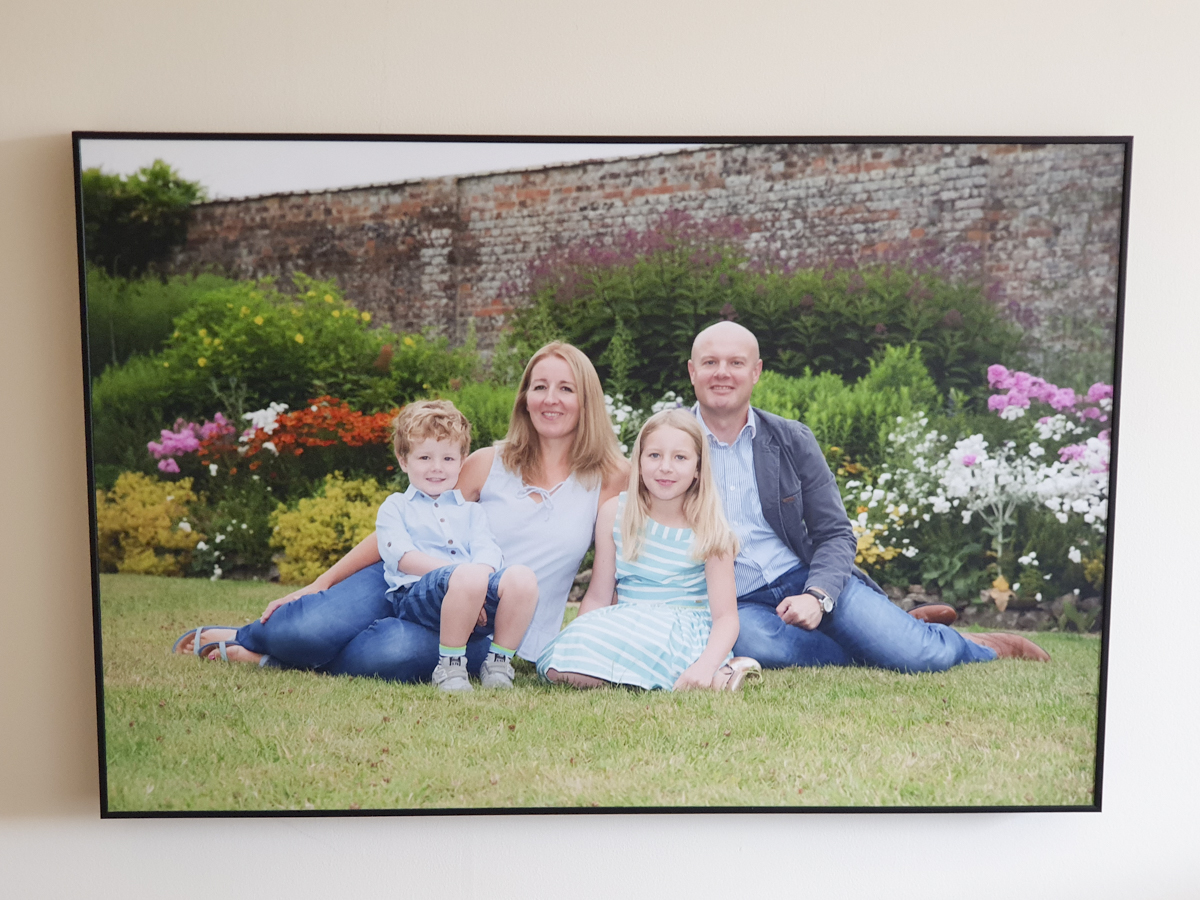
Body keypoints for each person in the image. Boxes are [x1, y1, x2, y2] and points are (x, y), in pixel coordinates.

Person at [173, 342, 628, 682]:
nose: (551, 399)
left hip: (490, 625)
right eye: (540, 386)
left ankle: (273, 661)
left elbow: (617, 572)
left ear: (586, 399)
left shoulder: (611, 477)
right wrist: (321, 582)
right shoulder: (489, 463)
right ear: (525, 397)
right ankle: (250, 636)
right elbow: (409, 524)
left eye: (566, 388)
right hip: (408, 579)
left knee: (393, 653)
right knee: (309, 627)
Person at [686, 320, 1051, 671]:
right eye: (710, 363)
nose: (722, 373)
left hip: (806, 576)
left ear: (756, 372)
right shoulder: (669, 447)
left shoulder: (791, 439)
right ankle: (893, 635)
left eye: (736, 363)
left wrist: (816, 596)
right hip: (737, 601)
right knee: (760, 646)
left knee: (921, 657)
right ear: (692, 371)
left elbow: (834, 532)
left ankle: (980, 644)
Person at [537, 409, 762, 691]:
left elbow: (726, 618)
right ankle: (645, 678)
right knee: (559, 667)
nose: (665, 467)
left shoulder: (711, 528)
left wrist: (705, 664)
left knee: (679, 663)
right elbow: (598, 595)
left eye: (680, 458)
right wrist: (582, 637)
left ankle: (714, 671)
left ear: (698, 468)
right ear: (639, 463)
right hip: (627, 619)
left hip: (681, 631)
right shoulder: (615, 513)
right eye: (654, 455)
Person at [375, 400, 538, 691]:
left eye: (448, 459)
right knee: (468, 575)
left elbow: (488, 552)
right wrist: (461, 578)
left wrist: (475, 588)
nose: (437, 468)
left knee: (522, 578)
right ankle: (449, 668)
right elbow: (403, 557)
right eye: (425, 457)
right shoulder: (396, 506)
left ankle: (498, 663)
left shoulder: (472, 511)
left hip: (470, 585)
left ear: (462, 461)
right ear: (403, 460)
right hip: (416, 593)